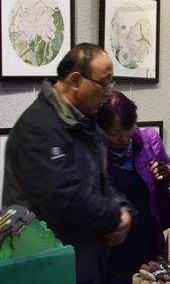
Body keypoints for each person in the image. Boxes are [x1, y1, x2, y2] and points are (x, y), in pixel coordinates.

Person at [2, 43, 134, 284]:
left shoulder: (88, 124)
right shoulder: (38, 127)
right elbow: (65, 200)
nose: (108, 94)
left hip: (84, 260)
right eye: (104, 84)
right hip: (48, 265)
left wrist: (126, 211)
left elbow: (103, 184)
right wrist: (116, 215)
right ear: (75, 80)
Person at [96, 91, 170, 284]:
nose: (124, 138)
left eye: (129, 129)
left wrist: (167, 173)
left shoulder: (149, 140)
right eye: (114, 133)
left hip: (149, 241)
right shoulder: (92, 152)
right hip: (113, 249)